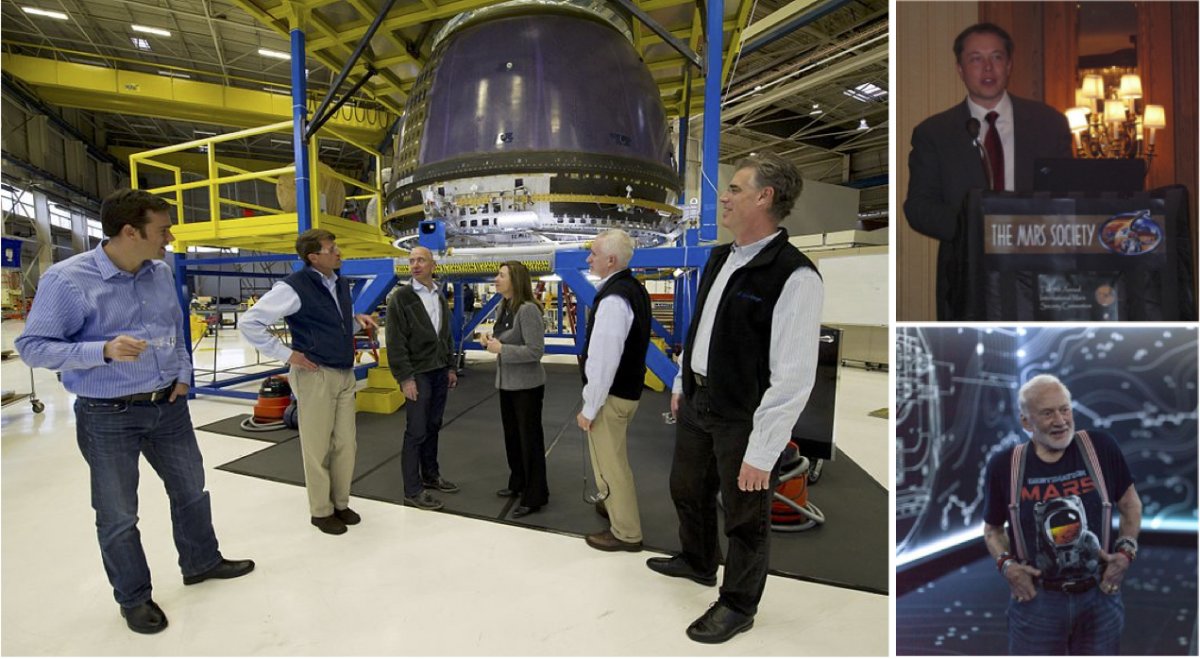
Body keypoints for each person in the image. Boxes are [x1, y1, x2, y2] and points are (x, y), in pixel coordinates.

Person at [15, 188, 254, 634]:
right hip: (109, 415)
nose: (170, 237)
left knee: (191, 491)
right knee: (118, 513)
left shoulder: (159, 272)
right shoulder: (68, 280)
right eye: (162, 229)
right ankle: (134, 597)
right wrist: (101, 349)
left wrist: (184, 373)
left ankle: (201, 561)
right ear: (130, 231)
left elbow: (175, 326)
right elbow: (31, 347)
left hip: (168, 406)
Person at [647, 153, 824, 644]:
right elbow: (698, 327)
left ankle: (738, 604)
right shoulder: (721, 257)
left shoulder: (794, 275)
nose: (723, 196)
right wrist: (683, 384)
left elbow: (792, 377)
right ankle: (699, 561)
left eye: (735, 188)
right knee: (687, 488)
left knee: (746, 519)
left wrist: (763, 451)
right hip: (700, 401)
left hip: (744, 417)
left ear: (765, 197)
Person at [903, 22, 1072, 320]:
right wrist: (980, 230)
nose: (987, 68)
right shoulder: (935, 133)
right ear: (960, 68)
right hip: (968, 279)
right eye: (975, 59)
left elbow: (1069, 196)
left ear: (1009, 65)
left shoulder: (1049, 123)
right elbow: (918, 207)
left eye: (996, 57)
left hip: (1043, 276)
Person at [982, 374, 1142, 655]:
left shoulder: (1100, 447)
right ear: (1026, 422)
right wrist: (1007, 566)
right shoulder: (1004, 465)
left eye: (1064, 409)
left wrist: (1126, 551)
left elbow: (1131, 504)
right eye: (1047, 413)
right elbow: (993, 530)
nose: (1060, 420)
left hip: (1099, 596)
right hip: (1037, 601)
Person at [240, 228, 379, 535]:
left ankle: (340, 503)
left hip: (343, 372)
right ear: (314, 257)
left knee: (346, 443)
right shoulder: (293, 287)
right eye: (332, 248)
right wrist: (288, 355)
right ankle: (321, 510)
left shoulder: (339, 283)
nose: (339, 252)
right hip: (315, 374)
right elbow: (250, 322)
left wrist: (357, 320)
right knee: (317, 446)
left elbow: (331, 317)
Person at [575, 229, 651, 552]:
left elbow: (604, 360)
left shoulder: (614, 300)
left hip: (611, 397)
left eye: (593, 253)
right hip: (627, 392)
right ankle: (610, 505)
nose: (588, 258)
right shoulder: (633, 289)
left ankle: (626, 532)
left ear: (610, 260)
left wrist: (589, 408)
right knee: (611, 459)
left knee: (612, 464)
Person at [386, 246, 458, 511]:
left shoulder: (438, 296)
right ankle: (412, 490)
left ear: (432, 264)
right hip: (417, 373)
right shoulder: (401, 298)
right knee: (416, 431)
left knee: (433, 426)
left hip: (439, 370)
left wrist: (450, 366)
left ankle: (431, 475)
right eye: (412, 260)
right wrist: (405, 378)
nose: (415, 265)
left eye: (421, 260)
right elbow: (395, 342)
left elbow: (445, 334)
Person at [483, 261, 548, 517]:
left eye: (501, 275)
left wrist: (502, 350)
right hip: (507, 384)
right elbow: (504, 336)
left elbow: (535, 351)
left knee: (529, 441)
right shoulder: (504, 306)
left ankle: (535, 496)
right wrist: (489, 339)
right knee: (513, 438)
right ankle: (518, 483)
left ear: (515, 280)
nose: (496, 279)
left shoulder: (528, 310)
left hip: (527, 387)